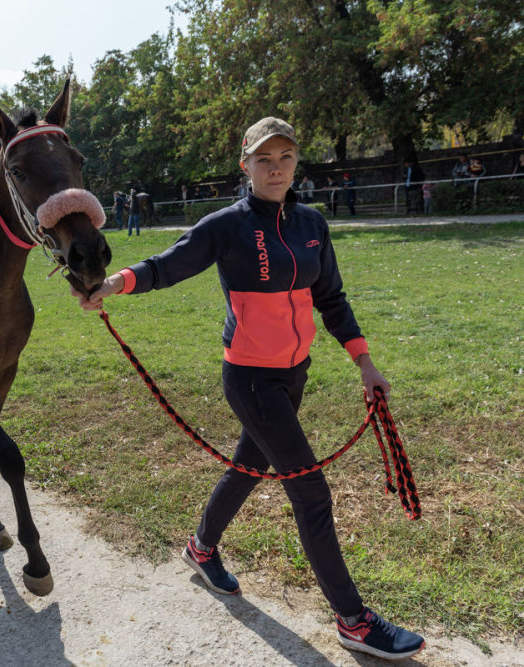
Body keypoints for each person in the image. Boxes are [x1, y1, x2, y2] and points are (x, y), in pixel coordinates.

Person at [73, 116, 425, 661]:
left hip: (295, 372)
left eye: (285, 157)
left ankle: (201, 547)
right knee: (310, 491)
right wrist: (112, 284)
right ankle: (353, 620)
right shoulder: (229, 224)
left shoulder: (311, 223)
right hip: (251, 377)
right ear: (246, 166)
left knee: (249, 465)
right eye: (265, 159)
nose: (276, 167)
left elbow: (331, 298)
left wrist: (365, 363)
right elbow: (169, 265)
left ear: (295, 163)